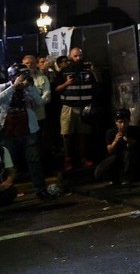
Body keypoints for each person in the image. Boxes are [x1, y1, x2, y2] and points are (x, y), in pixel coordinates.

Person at [0, 63, 54, 200]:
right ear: (12, 76)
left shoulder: (28, 88)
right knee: (10, 163)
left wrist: (29, 87)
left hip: (28, 129)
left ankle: (40, 189)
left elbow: (39, 102)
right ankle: (8, 190)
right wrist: (13, 87)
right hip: (8, 131)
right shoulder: (4, 87)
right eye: (20, 76)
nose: (23, 78)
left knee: (34, 160)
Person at [52, 47, 99, 171]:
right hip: (69, 107)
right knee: (67, 134)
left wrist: (95, 72)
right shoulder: (65, 71)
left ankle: (83, 158)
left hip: (84, 107)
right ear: (70, 57)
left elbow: (98, 85)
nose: (78, 58)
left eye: (79, 56)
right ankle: (68, 159)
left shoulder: (88, 70)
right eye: (75, 56)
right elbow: (56, 89)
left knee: (83, 134)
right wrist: (66, 84)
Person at [95, 108, 140, 185]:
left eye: (125, 122)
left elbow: (135, 148)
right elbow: (109, 150)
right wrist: (115, 141)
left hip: (127, 158)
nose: (123, 125)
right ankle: (113, 178)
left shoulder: (134, 130)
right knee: (99, 171)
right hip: (116, 157)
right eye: (120, 122)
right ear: (116, 122)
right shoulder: (111, 132)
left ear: (128, 121)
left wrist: (129, 142)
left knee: (128, 154)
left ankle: (126, 178)